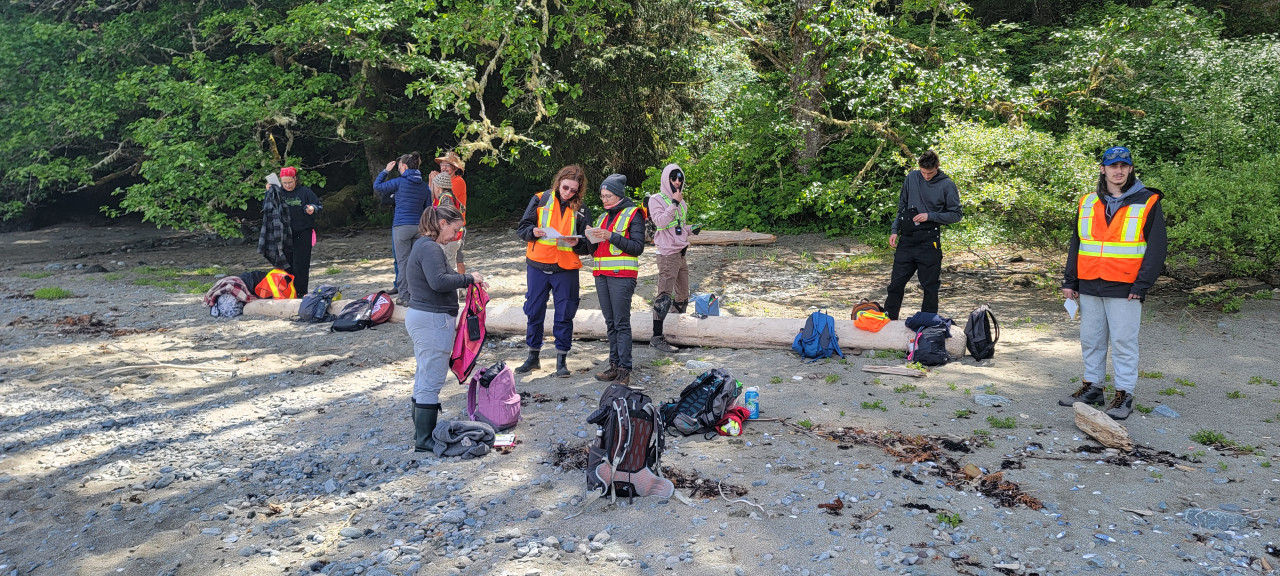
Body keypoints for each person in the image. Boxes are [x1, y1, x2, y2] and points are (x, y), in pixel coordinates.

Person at [1058, 146, 1166, 420]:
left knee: (1123, 342)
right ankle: (1093, 387)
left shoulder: (1148, 201)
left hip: (1126, 287)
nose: (1118, 171)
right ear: (1102, 169)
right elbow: (1077, 243)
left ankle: (1124, 394)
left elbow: (1156, 249)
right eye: (1113, 165)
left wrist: (1142, 285)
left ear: (1130, 169)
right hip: (1090, 283)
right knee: (1091, 340)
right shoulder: (1087, 201)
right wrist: (1071, 280)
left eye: (1124, 166)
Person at [405, 205, 486, 452]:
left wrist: (466, 279)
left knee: (424, 374)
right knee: (432, 377)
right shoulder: (430, 248)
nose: (456, 235)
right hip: (432, 318)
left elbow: (444, 275)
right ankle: (424, 439)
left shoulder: (424, 245)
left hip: (423, 316)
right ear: (442, 223)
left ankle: (422, 433)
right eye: (455, 229)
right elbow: (439, 282)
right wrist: (469, 279)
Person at [514, 165, 592, 377]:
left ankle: (561, 360)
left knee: (565, 313)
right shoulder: (540, 199)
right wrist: (534, 231)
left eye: (573, 190)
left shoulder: (581, 209)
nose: (568, 192)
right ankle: (533, 357)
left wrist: (576, 243)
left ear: (579, 190)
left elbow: (588, 246)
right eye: (565, 187)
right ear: (559, 182)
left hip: (565, 268)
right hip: (538, 265)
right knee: (534, 310)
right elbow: (522, 229)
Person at [883, 150, 962, 320]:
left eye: (930, 173)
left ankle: (927, 326)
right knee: (896, 284)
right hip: (907, 239)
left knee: (930, 287)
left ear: (937, 167)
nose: (926, 176)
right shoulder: (912, 177)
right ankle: (889, 321)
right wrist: (895, 230)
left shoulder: (947, 184)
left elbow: (956, 215)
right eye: (923, 172)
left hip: (929, 242)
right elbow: (902, 206)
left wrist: (930, 216)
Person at [586, 174, 646, 386]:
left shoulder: (634, 214)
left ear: (618, 195)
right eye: (602, 196)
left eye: (608, 196)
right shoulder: (602, 217)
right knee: (610, 323)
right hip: (601, 276)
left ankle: (624, 370)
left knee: (621, 323)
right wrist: (585, 238)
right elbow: (594, 251)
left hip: (622, 277)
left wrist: (610, 236)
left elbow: (637, 247)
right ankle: (614, 365)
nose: (604, 200)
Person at [373, 152, 431, 304]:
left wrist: (386, 171)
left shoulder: (399, 182)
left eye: (399, 166)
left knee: (403, 262)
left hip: (401, 226)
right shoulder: (424, 186)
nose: (398, 169)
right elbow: (428, 208)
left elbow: (377, 186)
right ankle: (417, 295)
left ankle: (404, 297)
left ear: (404, 166)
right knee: (416, 262)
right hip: (419, 227)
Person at [648, 163, 691, 353]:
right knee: (664, 296)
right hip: (667, 255)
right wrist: (673, 203)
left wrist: (691, 230)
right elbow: (660, 222)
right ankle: (656, 338)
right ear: (666, 179)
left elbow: (677, 227)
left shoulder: (682, 202)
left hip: (681, 253)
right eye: (673, 178)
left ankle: (677, 332)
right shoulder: (656, 199)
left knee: (682, 296)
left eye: (680, 178)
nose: (677, 182)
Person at [272, 167, 323, 296]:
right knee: (286, 263)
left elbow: (319, 205)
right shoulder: (278, 192)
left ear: (295, 179)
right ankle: (287, 291)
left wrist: (312, 208)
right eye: (285, 183)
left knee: (301, 264)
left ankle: (301, 292)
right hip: (284, 233)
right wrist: (269, 191)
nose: (288, 185)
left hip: (303, 232)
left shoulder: (305, 192)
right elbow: (267, 206)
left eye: (290, 182)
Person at [430, 151, 469, 274]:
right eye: (442, 164)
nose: (443, 167)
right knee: (452, 258)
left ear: (455, 168)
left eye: (447, 165)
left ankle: (462, 286)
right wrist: (432, 182)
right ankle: (461, 286)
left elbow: (440, 196)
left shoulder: (458, 181)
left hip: (455, 227)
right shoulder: (442, 181)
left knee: (457, 259)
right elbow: (430, 199)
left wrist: (434, 181)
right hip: (444, 226)